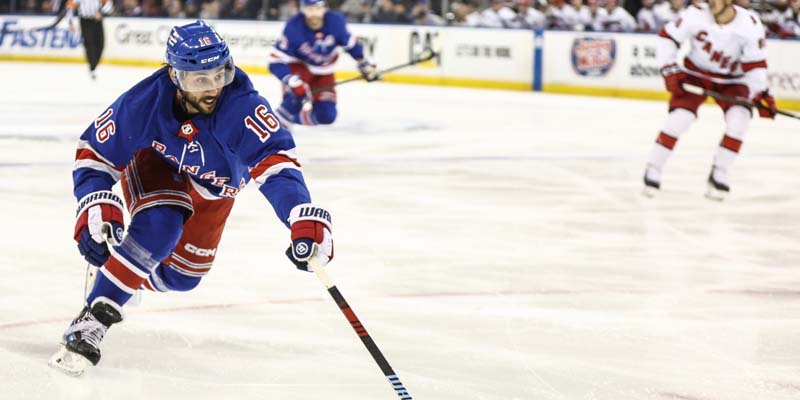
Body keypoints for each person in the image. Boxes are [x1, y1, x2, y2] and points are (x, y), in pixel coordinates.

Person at [48, 20, 334, 376]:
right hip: (159, 163)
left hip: (215, 189)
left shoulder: (243, 106)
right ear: (175, 76)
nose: (213, 87)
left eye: (220, 74)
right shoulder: (145, 101)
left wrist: (300, 215)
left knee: (183, 278)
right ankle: (91, 321)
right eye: (200, 80)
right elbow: (96, 152)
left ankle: (120, 270)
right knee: (161, 224)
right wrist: (95, 200)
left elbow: (276, 164)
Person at [642, 0, 776, 200]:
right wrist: (670, 69)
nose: (710, 2)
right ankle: (654, 168)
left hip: (732, 81)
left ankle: (719, 173)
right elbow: (667, 37)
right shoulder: (695, 14)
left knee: (739, 121)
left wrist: (761, 94)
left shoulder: (749, 23)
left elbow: (755, 65)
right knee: (680, 119)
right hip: (695, 74)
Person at [268, 0, 378, 130]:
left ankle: (285, 117)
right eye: (309, 9)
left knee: (327, 115)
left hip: (325, 71)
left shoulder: (336, 22)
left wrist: (365, 64)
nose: (314, 13)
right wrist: (292, 81)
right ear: (302, 9)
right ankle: (281, 125)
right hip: (300, 67)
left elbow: (352, 46)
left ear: (325, 8)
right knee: (296, 97)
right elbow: (275, 62)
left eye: (317, 8)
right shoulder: (293, 27)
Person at [64, 0, 113, 79]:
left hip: (97, 21)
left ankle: (93, 65)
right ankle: (92, 67)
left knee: (100, 44)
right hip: (85, 21)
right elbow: (70, 7)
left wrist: (102, 13)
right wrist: (70, 22)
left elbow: (109, 5)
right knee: (89, 44)